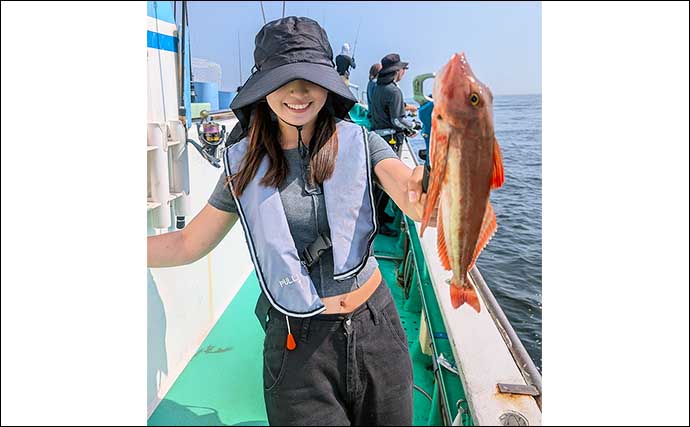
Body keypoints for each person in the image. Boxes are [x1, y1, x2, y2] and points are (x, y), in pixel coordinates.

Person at [148, 17, 436, 426]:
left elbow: (414, 196)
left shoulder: (361, 143)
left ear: (327, 84)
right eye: (284, 80)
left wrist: (439, 176)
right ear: (262, 88)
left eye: (310, 80)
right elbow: (187, 243)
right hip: (295, 346)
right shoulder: (243, 165)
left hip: (377, 330)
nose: (298, 93)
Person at [368, 53, 422, 234]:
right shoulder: (394, 91)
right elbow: (398, 120)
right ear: (397, 72)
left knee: (377, 181)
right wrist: (414, 126)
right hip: (390, 141)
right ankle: (380, 223)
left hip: (377, 138)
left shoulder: (375, 88)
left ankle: (375, 218)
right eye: (403, 69)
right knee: (386, 183)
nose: (404, 72)